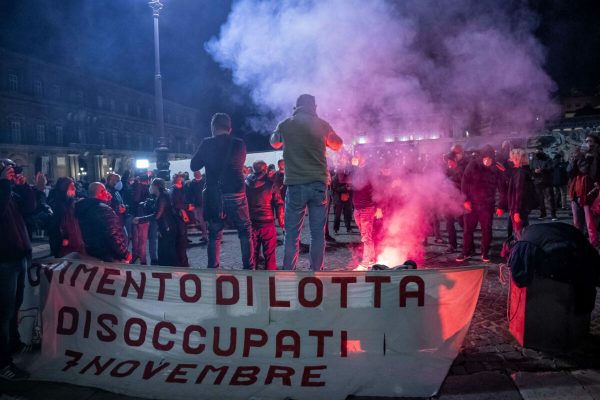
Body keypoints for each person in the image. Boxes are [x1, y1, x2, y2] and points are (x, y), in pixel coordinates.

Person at [270, 94, 343, 271]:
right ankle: (316, 272)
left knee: (292, 234)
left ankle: (289, 271)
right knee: (317, 234)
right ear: (314, 107)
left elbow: (274, 143)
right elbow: (338, 144)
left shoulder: (286, 124)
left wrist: (281, 131)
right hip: (318, 184)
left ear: (296, 107)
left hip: (295, 184)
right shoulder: (323, 125)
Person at [190, 113, 254, 269]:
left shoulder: (207, 143)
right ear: (229, 128)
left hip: (214, 194)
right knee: (244, 231)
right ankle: (249, 268)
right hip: (236, 192)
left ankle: (213, 268)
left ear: (213, 127)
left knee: (214, 234)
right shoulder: (239, 144)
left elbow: (194, 166)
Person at [0, 159, 35, 380]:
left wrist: (24, 187)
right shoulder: (3, 192)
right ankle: (3, 363)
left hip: (19, 256)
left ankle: (14, 344)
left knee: (15, 307)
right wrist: (4, 184)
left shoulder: (9, 192)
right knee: (2, 313)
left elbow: (30, 209)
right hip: (3, 260)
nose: (11, 171)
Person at [456, 145, 505, 263]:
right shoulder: (473, 165)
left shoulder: (496, 168)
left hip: (487, 205)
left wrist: (501, 205)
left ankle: (485, 252)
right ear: (481, 157)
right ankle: (466, 252)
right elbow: (464, 182)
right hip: (472, 204)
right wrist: (465, 200)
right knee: (468, 230)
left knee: (486, 230)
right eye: (485, 158)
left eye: (489, 159)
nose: (487, 161)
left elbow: (502, 188)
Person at [75, 182, 131, 263]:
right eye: (105, 190)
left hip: (93, 252)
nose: (107, 193)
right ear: (100, 192)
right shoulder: (103, 209)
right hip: (109, 255)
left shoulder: (85, 206)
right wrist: (125, 254)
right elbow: (113, 234)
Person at [134, 178, 183, 266]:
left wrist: (140, 219)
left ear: (156, 186)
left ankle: (172, 274)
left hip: (167, 228)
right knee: (166, 253)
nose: (151, 187)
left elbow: (157, 215)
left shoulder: (162, 197)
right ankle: (169, 274)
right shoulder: (162, 195)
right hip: (167, 227)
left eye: (152, 185)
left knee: (167, 254)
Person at [568, 134, 600, 247]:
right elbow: (570, 172)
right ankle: (579, 243)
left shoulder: (596, 156)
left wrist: (581, 158)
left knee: (590, 222)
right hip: (576, 191)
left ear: (596, 143)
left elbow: (587, 171)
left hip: (590, 193)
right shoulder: (580, 155)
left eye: (590, 141)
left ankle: (593, 244)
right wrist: (574, 158)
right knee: (577, 222)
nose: (587, 143)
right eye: (586, 141)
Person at [246, 161, 277, 270]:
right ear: (265, 169)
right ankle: (270, 277)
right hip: (267, 222)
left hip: (252, 222)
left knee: (253, 252)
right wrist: (281, 220)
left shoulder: (246, 183)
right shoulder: (270, 183)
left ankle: (253, 278)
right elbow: (279, 202)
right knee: (269, 253)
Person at [499, 149, 537, 239]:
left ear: (517, 159)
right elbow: (513, 178)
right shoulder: (523, 170)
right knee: (523, 230)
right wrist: (505, 172)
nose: (510, 160)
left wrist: (516, 211)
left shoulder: (520, 173)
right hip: (522, 207)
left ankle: (521, 251)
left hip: (519, 208)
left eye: (512, 158)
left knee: (519, 232)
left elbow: (518, 193)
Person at [350, 155, 379, 270]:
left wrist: (378, 206)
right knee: (365, 236)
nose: (356, 158)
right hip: (357, 208)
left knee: (366, 237)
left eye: (358, 156)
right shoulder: (357, 171)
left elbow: (376, 189)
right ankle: (371, 259)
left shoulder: (368, 171)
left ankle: (366, 262)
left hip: (366, 208)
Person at [47, 177, 85, 258]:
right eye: (72, 186)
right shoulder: (58, 203)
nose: (74, 188)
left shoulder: (70, 201)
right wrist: (65, 237)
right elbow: (60, 222)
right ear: (64, 188)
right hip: (63, 238)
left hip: (73, 237)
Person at [444, 152, 464, 253]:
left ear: (455, 161)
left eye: (450, 161)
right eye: (448, 162)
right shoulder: (447, 170)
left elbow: (463, 185)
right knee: (449, 223)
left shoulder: (460, 171)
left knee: (462, 223)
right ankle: (452, 244)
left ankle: (469, 244)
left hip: (459, 200)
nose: (449, 163)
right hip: (448, 201)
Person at [128, 175, 151, 265]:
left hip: (138, 216)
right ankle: (142, 260)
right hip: (142, 217)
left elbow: (135, 199)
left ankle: (139, 258)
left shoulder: (136, 187)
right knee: (141, 240)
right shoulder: (146, 188)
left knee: (137, 240)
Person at [531, 148, 557, 220]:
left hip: (547, 181)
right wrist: (535, 171)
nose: (537, 153)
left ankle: (553, 215)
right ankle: (543, 214)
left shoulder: (547, 159)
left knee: (550, 199)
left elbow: (551, 168)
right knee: (540, 199)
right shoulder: (533, 159)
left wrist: (542, 170)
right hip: (537, 181)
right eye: (536, 151)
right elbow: (531, 169)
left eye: (538, 151)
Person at [170, 174, 190, 267]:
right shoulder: (175, 190)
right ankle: (182, 262)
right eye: (181, 179)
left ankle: (183, 260)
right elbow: (175, 204)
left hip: (181, 216)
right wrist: (187, 206)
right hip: (178, 217)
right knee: (181, 241)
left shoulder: (179, 189)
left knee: (182, 241)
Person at [185, 170, 208, 244]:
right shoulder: (194, 183)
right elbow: (190, 194)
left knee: (202, 220)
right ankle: (205, 235)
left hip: (203, 203)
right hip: (198, 204)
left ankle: (205, 235)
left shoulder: (202, 182)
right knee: (201, 220)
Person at [332, 167, 354, 234]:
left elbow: (353, 186)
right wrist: (345, 188)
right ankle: (336, 229)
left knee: (348, 214)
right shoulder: (336, 177)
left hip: (348, 197)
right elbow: (335, 188)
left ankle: (348, 228)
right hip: (338, 198)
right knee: (337, 215)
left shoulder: (349, 176)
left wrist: (350, 189)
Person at [272, 159, 286, 231]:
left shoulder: (289, 174)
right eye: (281, 164)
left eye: (284, 163)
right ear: (278, 165)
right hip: (279, 199)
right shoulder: (275, 174)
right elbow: (273, 185)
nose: (283, 165)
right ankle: (284, 231)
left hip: (288, 198)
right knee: (281, 216)